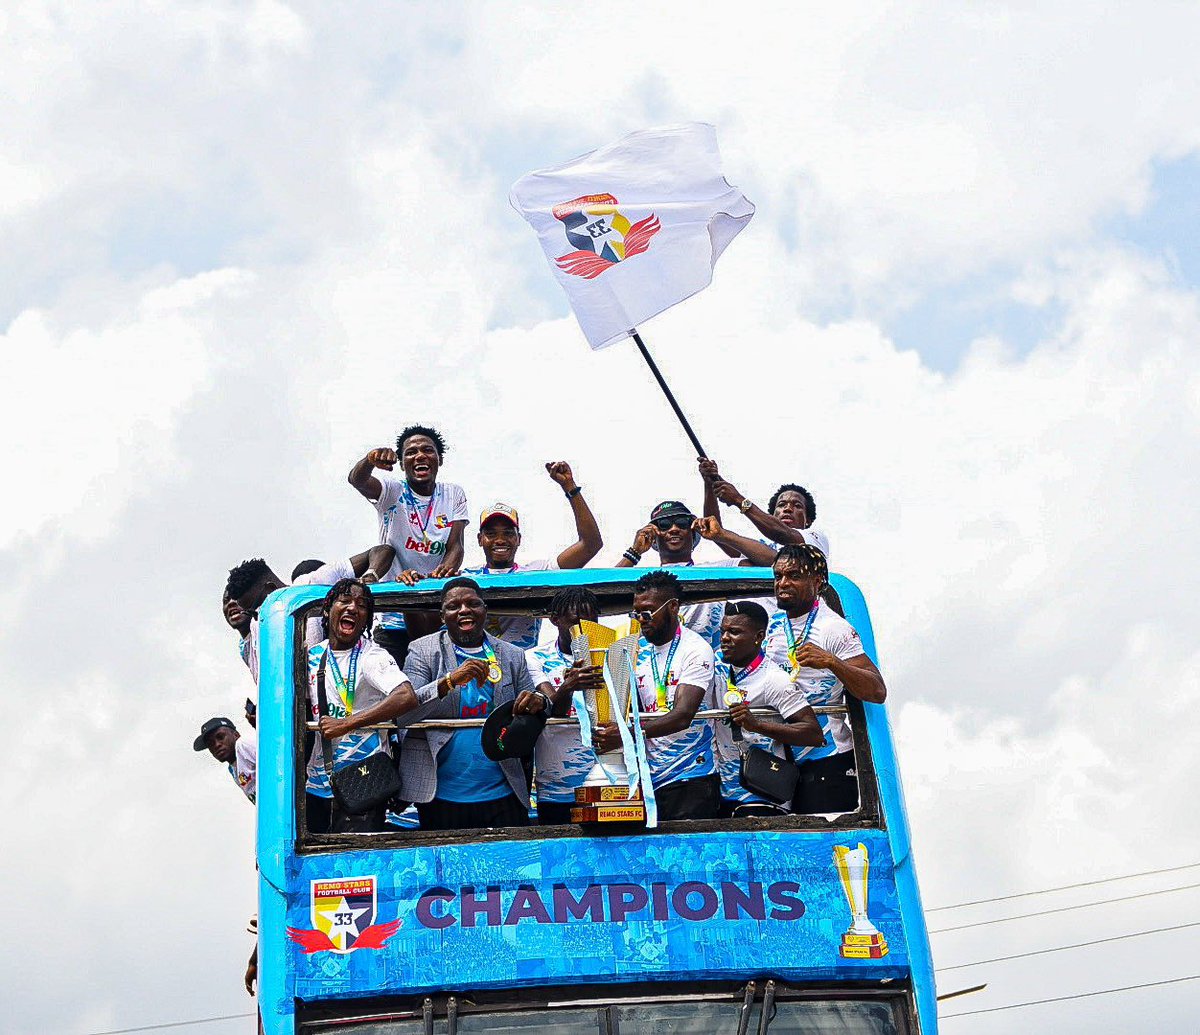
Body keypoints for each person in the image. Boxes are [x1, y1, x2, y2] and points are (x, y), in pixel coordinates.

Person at [397, 578, 548, 831]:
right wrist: (448, 681)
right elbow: (404, 713)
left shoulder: (512, 654)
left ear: (484, 610)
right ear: (442, 616)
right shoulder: (422, 650)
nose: (464, 610)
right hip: (440, 796)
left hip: (504, 794)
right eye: (454, 606)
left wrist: (538, 702)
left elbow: (538, 709)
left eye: (472, 603)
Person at [764, 544, 887, 814]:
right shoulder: (774, 623)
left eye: (794, 576)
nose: (783, 583)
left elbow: (877, 691)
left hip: (826, 759)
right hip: (781, 756)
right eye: (778, 576)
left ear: (817, 581)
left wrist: (832, 662)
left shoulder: (834, 628)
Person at [594, 570, 720, 821]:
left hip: (692, 777)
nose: (641, 619)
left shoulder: (696, 649)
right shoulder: (636, 650)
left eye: (647, 612)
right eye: (636, 613)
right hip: (649, 778)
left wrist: (626, 735)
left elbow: (683, 716)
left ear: (673, 606)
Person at [305, 578, 420, 833]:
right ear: (327, 609)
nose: (352, 608)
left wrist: (346, 723)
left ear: (367, 618)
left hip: (364, 780)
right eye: (344, 601)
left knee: (356, 870)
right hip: (317, 783)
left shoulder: (372, 655)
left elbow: (406, 696)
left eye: (361, 605)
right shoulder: (311, 657)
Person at [347, 425, 469, 661]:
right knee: (393, 689)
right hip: (394, 616)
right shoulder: (392, 490)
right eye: (411, 452)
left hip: (438, 609)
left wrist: (442, 573)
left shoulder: (454, 494)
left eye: (427, 450)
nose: (420, 456)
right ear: (402, 464)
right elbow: (357, 479)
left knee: (445, 687)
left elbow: (456, 546)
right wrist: (369, 460)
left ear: (439, 459)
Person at [462, 461, 603, 649]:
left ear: (519, 539)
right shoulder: (464, 577)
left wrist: (569, 486)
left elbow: (590, 544)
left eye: (508, 533)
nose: (500, 540)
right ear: (480, 539)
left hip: (524, 671)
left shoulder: (538, 571)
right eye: (491, 534)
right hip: (474, 670)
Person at [713, 601, 823, 817]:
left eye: (734, 632)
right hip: (725, 792)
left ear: (759, 637)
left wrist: (756, 725)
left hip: (764, 794)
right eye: (723, 631)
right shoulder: (717, 669)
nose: (725, 638)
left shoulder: (773, 679)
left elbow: (813, 733)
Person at [224, 546, 396, 684]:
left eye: (255, 609)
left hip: (351, 683)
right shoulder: (259, 626)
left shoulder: (312, 583)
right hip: (302, 711)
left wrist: (370, 576)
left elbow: (382, 551)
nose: (254, 617)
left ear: (270, 590)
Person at [525, 587, 606, 824]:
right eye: (576, 621)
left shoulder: (609, 653)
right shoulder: (535, 658)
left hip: (604, 780)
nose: (585, 628)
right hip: (555, 787)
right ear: (555, 619)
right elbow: (553, 709)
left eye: (592, 620)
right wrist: (569, 686)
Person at [613, 500, 729, 649]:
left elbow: (766, 561)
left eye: (682, 523)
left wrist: (721, 535)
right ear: (653, 536)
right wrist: (634, 552)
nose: (674, 529)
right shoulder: (643, 582)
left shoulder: (716, 571)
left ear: (694, 533)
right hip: (653, 666)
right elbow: (602, 590)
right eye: (664, 525)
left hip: (704, 665)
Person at [193, 716, 257, 804]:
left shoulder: (243, 744)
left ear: (236, 735)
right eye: (211, 744)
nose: (217, 745)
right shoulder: (233, 768)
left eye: (220, 737)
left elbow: (277, 753)